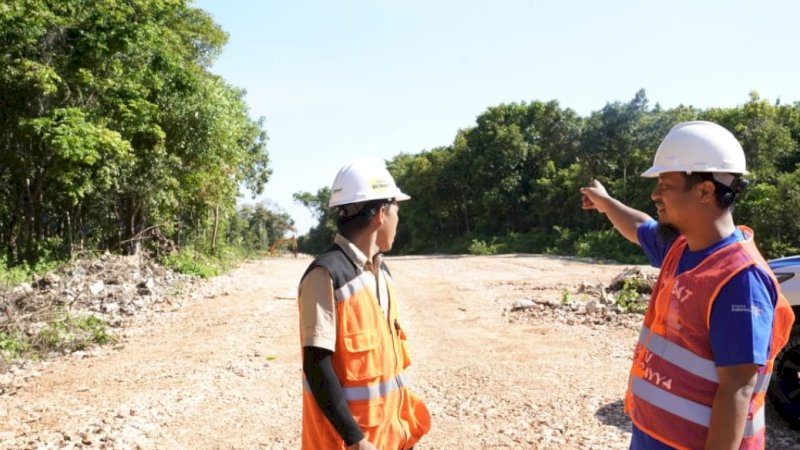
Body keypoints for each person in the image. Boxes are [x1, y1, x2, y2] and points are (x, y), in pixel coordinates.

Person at [580, 121, 795, 450]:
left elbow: (736, 389)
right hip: (653, 437)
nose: (655, 194)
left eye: (666, 184)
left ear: (705, 191)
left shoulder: (739, 279)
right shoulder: (681, 246)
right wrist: (606, 202)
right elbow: (640, 226)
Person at [297, 159, 431, 450]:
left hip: (388, 438)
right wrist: (355, 439)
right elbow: (316, 364)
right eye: (397, 210)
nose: (398, 219)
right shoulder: (326, 274)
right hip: (346, 443)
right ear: (381, 214)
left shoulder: (382, 273)